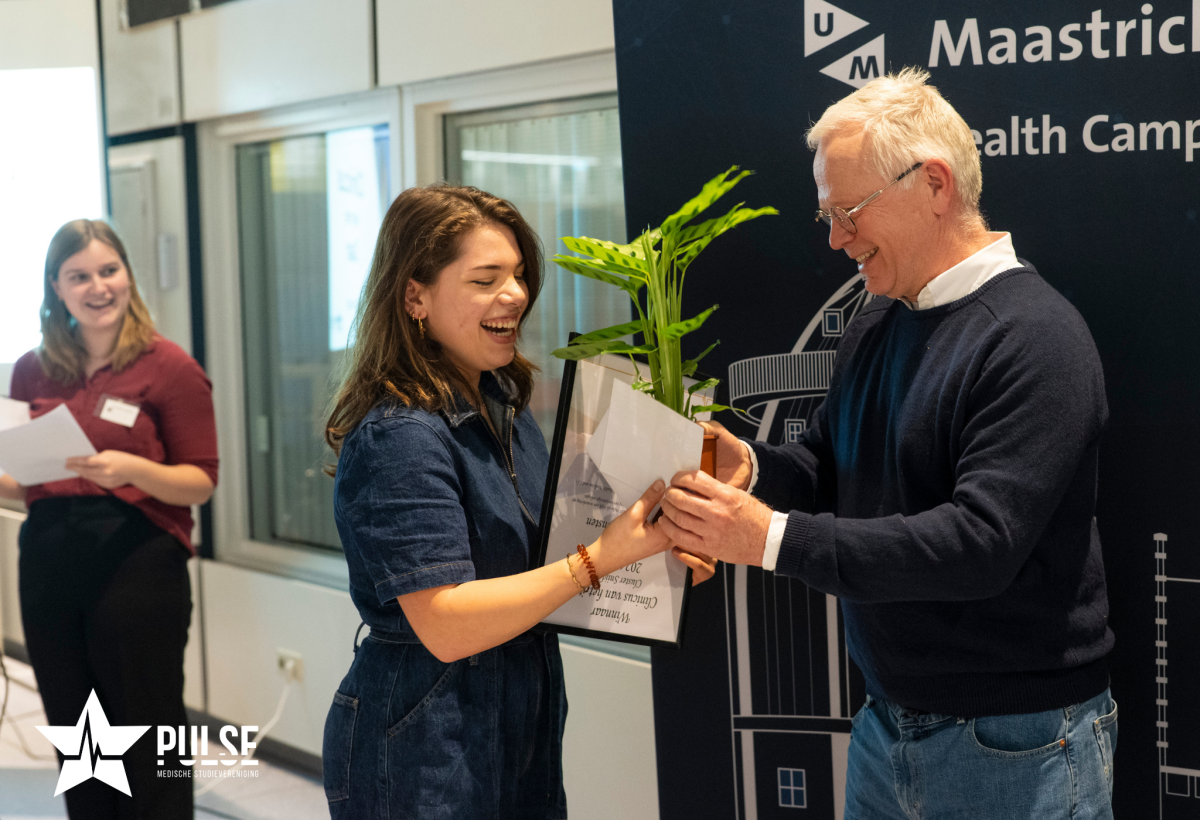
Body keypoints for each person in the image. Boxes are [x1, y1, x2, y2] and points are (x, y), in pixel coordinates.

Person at [658, 68, 1118, 819]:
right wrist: (753, 467)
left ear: (934, 184)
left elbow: (979, 545)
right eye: (827, 217)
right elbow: (828, 465)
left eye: (849, 212)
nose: (836, 239)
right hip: (885, 726)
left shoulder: (1036, 337)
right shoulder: (879, 318)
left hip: (1018, 744)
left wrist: (768, 538)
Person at [321, 184, 713, 818]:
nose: (516, 294)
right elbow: (446, 624)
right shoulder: (399, 437)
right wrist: (600, 559)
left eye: (520, 275)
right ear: (415, 297)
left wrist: (651, 553)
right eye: (486, 279)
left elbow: (545, 561)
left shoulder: (503, 402)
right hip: (425, 739)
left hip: (520, 719)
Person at [0, 219, 218, 818]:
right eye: (79, 276)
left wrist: (132, 470)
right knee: (78, 733)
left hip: (138, 561)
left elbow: (202, 480)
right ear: (56, 287)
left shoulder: (170, 367)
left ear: (127, 275)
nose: (97, 287)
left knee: (147, 727)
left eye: (108, 270)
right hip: (48, 561)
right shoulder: (31, 368)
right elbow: (28, 482)